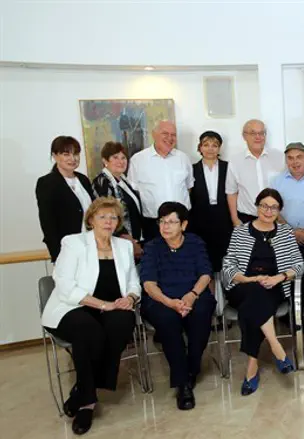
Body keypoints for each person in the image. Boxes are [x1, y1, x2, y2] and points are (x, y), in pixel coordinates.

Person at [42, 197, 140, 435]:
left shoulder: (124, 246)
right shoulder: (74, 243)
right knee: (89, 330)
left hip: (111, 306)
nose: (108, 221)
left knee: (124, 322)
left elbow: (133, 283)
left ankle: (82, 388)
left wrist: (130, 298)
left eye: (113, 217)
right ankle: (87, 402)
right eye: (102, 216)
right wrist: (102, 305)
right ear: (91, 219)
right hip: (72, 307)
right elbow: (63, 284)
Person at [222, 188, 303, 396]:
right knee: (255, 293)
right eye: (264, 206)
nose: (268, 211)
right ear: (256, 207)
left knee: (254, 305)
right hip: (243, 285)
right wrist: (249, 279)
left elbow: (299, 265)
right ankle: (276, 347)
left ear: (279, 211)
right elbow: (228, 265)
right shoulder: (240, 231)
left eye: (274, 207)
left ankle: (252, 366)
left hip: (274, 286)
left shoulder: (285, 232)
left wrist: (280, 277)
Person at [139, 202, 216, 411]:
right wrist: (169, 302)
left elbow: (205, 274)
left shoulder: (195, 243)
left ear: (183, 225)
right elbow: (148, 284)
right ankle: (183, 384)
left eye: (172, 222)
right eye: (162, 221)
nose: (165, 226)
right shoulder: (153, 247)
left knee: (201, 315)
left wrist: (191, 296)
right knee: (168, 320)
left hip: (193, 295)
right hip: (160, 299)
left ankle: (191, 368)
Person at [127, 120, 194, 241]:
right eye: (165, 133)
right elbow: (134, 192)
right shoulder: (138, 160)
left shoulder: (183, 158)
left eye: (173, 134)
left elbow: (189, 187)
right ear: (154, 134)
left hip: (182, 224)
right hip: (153, 224)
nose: (170, 138)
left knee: (183, 258)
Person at [36, 136, 95, 262]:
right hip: (67, 249)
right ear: (55, 156)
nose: (72, 159)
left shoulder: (83, 180)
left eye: (76, 154)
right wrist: (57, 255)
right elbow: (47, 223)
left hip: (92, 245)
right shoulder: (47, 183)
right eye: (66, 154)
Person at [189, 131, 233, 277]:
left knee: (225, 260)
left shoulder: (229, 167)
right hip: (200, 220)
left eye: (214, 145)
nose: (210, 149)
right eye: (206, 145)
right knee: (204, 263)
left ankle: (227, 297)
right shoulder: (191, 169)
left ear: (219, 148)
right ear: (200, 147)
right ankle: (210, 297)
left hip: (224, 219)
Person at [226, 119, 285, 225]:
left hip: (276, 218)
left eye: (261, 133)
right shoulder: (235, 161)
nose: (258, 137)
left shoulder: (279, 157)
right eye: (253, 133)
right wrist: (235, 219)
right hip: (247, 218)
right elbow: (231, 192)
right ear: (244, 136)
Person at [91, 141, 144, 259]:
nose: (121, 161)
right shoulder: (103, 182)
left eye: (123, 157)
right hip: (117, 242)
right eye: (115, 157)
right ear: (105, 161)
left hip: (133, 241)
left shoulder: (123, 181)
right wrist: (127, 239)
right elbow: (106, 215)